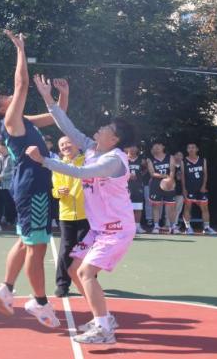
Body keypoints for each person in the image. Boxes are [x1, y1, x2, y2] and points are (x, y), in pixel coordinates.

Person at [25, 74, 137, 345]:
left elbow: (81, 173)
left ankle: (103, 329)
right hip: (99, 229)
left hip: (116, 230)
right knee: (74, 269)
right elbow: (68, 127)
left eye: (106, 128)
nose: (100, 129)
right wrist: (48, 97)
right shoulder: (93, 149)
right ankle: (104, 318)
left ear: (114, 139)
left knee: (86, 273)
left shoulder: (114, 161)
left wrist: (43, 161)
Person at [0, 30, 68, 328]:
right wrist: (20, 49)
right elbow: (22, 84)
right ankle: (39, 302)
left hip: (30, 182)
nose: (12, 96)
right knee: (37, 246)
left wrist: (63, 94)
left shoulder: (23, 120)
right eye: (5, 97)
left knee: (24, 240)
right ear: (1, 107)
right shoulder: (10, 120)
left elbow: (58, 117)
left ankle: (5, 288)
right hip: (33, 185)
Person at [52, 135, 88, 297]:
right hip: (66, 214)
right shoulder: (58, 166)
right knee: (65, 250)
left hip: (87, 214)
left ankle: (88, 280)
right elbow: (55, 191)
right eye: (61, 145)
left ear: (77, 145)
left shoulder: (87, 162)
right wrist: (58, 192)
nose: (65, 146)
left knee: (85, 250)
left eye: (68, 143)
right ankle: (62, 284)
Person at [181, 143, 216, 235]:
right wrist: (184, 189)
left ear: (197, 149)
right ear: (187, 150)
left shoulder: (202, 160)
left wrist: (204, 186)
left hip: (201, 188)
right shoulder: (183, 161)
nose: (191, 149)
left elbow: (205, 174)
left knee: (205, 207)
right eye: (189, 148)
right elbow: (183, 176)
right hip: (189, 188)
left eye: (193, 147)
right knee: (187, 207)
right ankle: (188, 227)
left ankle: (206, 227)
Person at [146, 142, 177, 234]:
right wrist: (165, 176)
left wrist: (170, 180)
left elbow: (172, 170)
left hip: (169, 183)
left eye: (159, 145)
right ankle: (156, 226)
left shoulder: (170, 157)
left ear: (163, 146)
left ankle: (173, 226)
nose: (157, 147)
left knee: (171, 206)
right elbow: (152, 173)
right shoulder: (150, 159)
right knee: (155, 206)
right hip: (156, 184)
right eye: (155, 146)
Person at [0, 141, 16, 226]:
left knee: (10, 205)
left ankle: (11, 221)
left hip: (8, 186)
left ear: (5, 147)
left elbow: (14, 172)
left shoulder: (11, 157)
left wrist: (1, 177)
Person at [125, 145, 147, 234]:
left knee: (138, 206)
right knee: (126, 207)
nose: (132, 149)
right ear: (127, 148)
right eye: (130, 147)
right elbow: (118, 171)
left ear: (137, 149)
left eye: (134, 147)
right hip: (125, 186)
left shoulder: (141, 161)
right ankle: (127, 226)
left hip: (138, 186)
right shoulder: (123, 159)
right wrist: (128, 175)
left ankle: (137, 226)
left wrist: (140, 175)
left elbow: (146, 168)